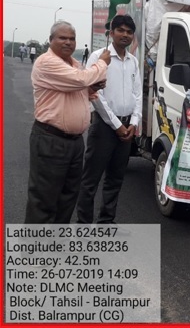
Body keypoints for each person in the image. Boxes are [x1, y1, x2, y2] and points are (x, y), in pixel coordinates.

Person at [25, 21, 110, 223]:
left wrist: (91, 89)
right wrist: (102, 64)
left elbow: (78, 90)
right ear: (51, 40)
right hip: (51, 139)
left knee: (67, 199)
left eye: (72, 38)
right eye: (62, 38)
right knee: (44, 200)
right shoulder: (47, 62)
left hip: (74, 142)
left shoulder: (74, 64)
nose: (68, 42)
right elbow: (80, 80)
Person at [76, 15, 142, 225]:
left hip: (127, 128)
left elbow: (137, 93)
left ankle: (106, 221)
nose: (125, 35)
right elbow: (95, 96)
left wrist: (133, 122)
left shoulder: (133, 61)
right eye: (120, 30)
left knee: (115, 177)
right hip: (104, 127)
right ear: (111, 33)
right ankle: (84, 224)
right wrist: (117, 125)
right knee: (91, 179)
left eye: (129, 32)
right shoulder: (99, 57)